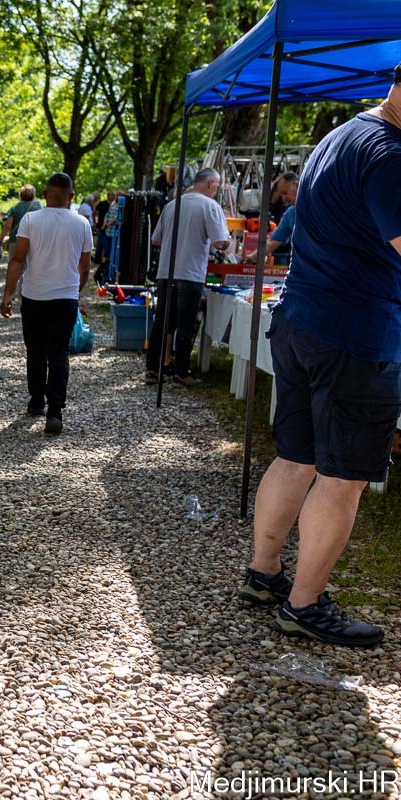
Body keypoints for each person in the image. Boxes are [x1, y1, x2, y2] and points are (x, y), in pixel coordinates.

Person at [239, 68, 401, 648]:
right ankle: (304, 605)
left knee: (296, 458)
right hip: (353, 334)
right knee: (343, 478)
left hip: (301, 319)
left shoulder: (343, 134)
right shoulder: (390, 155)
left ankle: (263, 574)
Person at [0, 173, 92, 435]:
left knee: (36, 350)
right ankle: (55, 411)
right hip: (65, 298)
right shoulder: (82, 223)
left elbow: (18, 260)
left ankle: (37, 400)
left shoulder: (31, 220)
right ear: (71, 196)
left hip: (34, 296)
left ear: (45, 194)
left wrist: (8, 294)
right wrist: (74, 291)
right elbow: (85, 267)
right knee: (59, 352)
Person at [143, 167, 230, 387]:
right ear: (210, 183)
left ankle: (152, 368)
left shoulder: (172, 205)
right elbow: (220, 242)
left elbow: (156, 239)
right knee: (185, 322)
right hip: (191, 272)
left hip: (166, 271)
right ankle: (181, 371)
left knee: (162, 321)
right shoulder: (210, 206)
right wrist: (229, 243)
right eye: (217, 185)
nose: (217, 189)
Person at [0, 185, 41, 254]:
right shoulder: (38, 208)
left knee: (15, 260)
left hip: (16, 241)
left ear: (20, 195)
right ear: (33, 195)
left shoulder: (15, 208)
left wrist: (0, 241)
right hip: (34, 242)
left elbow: (8, 226)